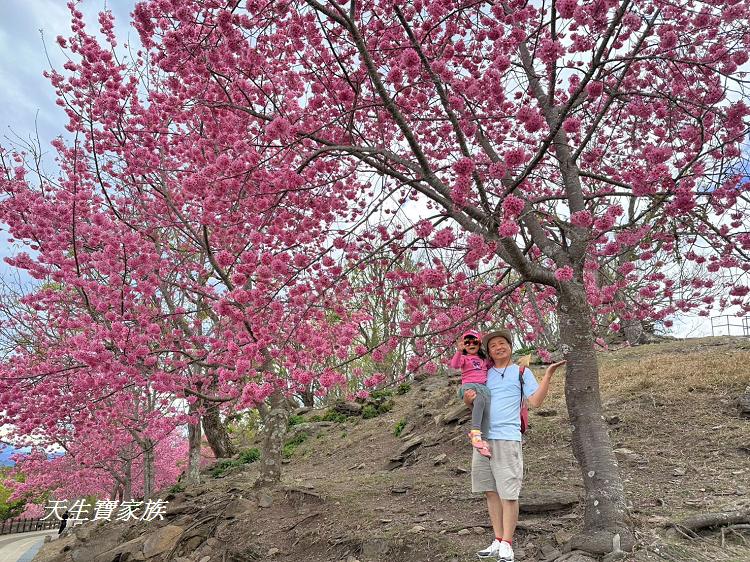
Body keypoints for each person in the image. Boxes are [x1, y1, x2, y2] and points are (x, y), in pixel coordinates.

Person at [463, 328, 566, 562]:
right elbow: (474, 405)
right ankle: (497, 540)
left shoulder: (521, 372)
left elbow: (536, 401)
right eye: (492, 346)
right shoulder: (484, 373)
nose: (498, 347)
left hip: (508, 438)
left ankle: (508, 543)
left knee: (508, 493)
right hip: (482, 439)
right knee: (490, 492)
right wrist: (468, 400)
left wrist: (547, 375)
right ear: (488, 352)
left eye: (502, 343)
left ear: (510, 346)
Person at [448, 329, 492, 457]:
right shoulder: (464, 358)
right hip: (470, 386)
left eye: (475, 341)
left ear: (479, 344)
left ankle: (483, 442)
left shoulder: (484, 359)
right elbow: (454, 365)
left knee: (487, 413)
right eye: (467, 342)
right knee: (479, 401)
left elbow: (493, 365)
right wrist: (459, 351)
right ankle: (475, 432)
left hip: (484, 388)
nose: (471, 344)